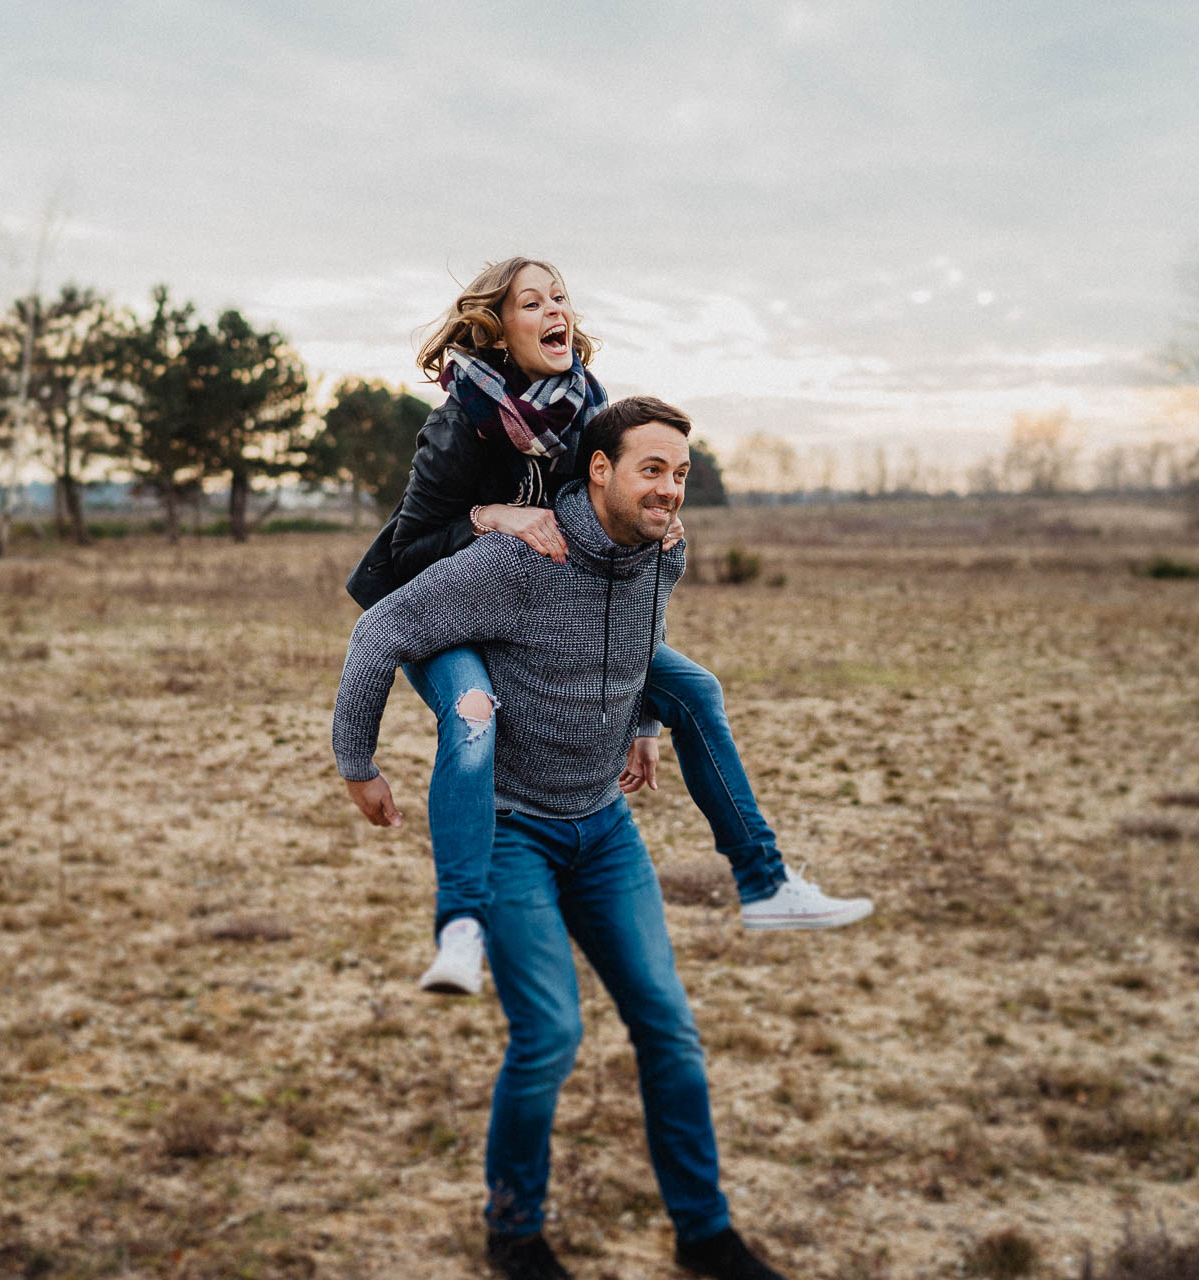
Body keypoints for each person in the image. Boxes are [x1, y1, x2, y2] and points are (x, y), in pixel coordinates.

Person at [334, 397, 788, 1280]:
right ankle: (513, 1234)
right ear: (601, 471)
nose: (670, 490)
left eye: (682, 473)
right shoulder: (518, 562)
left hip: (605, 829)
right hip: (511, 833)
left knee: (669, 1028)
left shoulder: (666, 549)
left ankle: (706, 1235)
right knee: (550, 1036)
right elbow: (380, 626)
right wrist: (358, 758)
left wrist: (648, 725)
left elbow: (645, 638)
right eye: (652, 469)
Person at [346, 257, 869, 996]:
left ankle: (766, 884)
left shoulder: (583, 405)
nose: (555, 309)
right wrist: (491, 518)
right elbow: (406, 550)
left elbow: (619, 549)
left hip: (536, 603)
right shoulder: (460, 421)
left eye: (560, 296)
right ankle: (462, 929)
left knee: (695, 690)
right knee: (473, 717)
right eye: (533, 301)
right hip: (437, 605)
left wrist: (644, 718)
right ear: (498, 327)